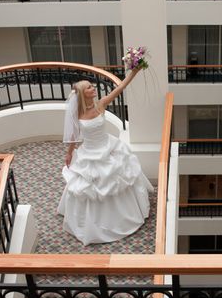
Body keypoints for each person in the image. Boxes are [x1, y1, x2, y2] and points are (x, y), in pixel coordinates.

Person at [57, 67, 153, 245]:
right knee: (90, 189)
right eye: (89, 88)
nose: (94, 89)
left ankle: (124, 218)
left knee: (118, 180)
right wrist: (69, 153)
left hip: (108, 148)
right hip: (89, 153)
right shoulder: (77, 114)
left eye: (93, 86)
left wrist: (134, 71)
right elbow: (73, 136)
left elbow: (121, 87)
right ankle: (94, 225)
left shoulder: (101, 104)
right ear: (82, 94)